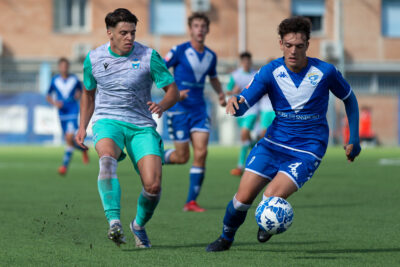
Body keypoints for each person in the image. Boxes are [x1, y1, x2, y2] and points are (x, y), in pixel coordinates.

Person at [206, 16, 361, 252]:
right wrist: (237, 104)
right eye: (288, 45)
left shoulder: (325, 72)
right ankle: (226, 237)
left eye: (299, 46)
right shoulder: (270, 71)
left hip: (307, 150)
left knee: (271, 199)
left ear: (308, 45)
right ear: (281, 44)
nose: (293, 51)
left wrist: (354, 138)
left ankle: (267, 221)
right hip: (273, 144)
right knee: (241, 200)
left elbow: (349, 99)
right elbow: (247, 100)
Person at [75, 8, 179, 248]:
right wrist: (82, 127)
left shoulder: (149, 56)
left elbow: (172, 90)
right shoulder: (94, 58)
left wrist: (162, 104)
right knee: (107, 158)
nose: (129, 37)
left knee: (153, 186)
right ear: (109, 33)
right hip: (107, 121)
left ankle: (138, 226)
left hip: (141, 125)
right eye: (123, 33)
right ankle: (114, 221)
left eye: (132, 32)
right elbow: (88, 94)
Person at [163, 12, 226, 212]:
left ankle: (191, 201)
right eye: (196, 25)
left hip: (199, 109)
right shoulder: (179, 51)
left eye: (203, 26)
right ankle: (155, 157)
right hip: (179, 109)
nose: (199, 29)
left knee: (202, 152)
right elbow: (160, 71)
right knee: (182, 157)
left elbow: (214, 78)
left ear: (207, 29)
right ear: (190, 29)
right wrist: (173, 93)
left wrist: (221, 94)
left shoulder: (211, 56)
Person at [46, 57, 89, 175]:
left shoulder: (74, 79)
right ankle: (83, 149)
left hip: (72, 110)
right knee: (69, 140)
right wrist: (55, 103)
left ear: (68, 67)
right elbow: (48, 96)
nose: (64, 68)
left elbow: (82, 91)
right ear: (59, 67)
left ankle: (64, 166)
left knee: (69, 137)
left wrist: (78, 95)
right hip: (61, 112)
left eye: (66, 66)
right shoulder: (55, 80)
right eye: (62, 66)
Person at [226, 52, 259, 176]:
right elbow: (228, 91)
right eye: (244, 61)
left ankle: (240, 166)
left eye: (248, 61)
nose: (246, 63)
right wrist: (232, 92)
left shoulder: (255, 75)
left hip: (252, 109)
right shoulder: (235, 75)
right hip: (239, 111)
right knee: (246, 140)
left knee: (244, 134)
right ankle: (258, 153)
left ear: (250, 62)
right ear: (241, 62)